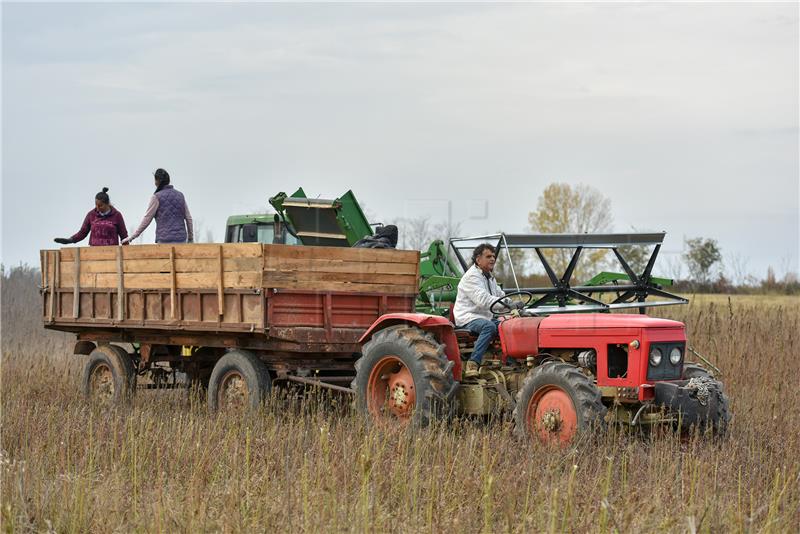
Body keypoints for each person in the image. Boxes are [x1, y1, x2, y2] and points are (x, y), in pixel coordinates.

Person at [453, 243, 522, 377]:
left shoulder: (489, 277)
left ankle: (510, 361)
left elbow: (500, 295)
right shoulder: (471, 277)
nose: (492, 259)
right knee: (489, 327)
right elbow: (484, 300)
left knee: (506, 325)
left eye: (494, 256)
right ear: (478, 260)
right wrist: (509, 305)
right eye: (488, 256)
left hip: (483, 317)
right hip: (467, 318)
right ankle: (473, 362)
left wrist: (513, 304)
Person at [122, 168, 193, 244]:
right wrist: (190, 238)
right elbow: (189, 218)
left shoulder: (156, 197)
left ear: (156, 181)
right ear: (168, 180)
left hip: (164, 240)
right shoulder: (180, 195)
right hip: (181, 239)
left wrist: (132, 237)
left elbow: (147, 219)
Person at [54, 187, 128, 246]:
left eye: (100, 206)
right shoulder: (91, 215)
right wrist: (70, 240)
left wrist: (127, 253)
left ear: (107, 203)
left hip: (112, 252)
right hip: (93, 252)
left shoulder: (117, 215)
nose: (97, 208)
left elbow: (124, 236)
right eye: (96, 205)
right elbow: (82, 232)